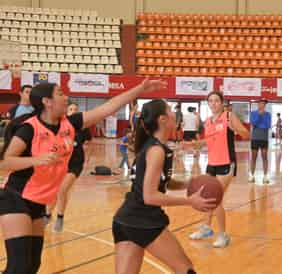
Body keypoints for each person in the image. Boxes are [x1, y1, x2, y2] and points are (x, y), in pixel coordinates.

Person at [0, 79, 166, 274]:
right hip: (15, 197)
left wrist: (140, 88)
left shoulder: (70, 124)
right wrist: (36, 160)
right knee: (18, 266)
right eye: (60, 93)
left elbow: (109, 107)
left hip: (38, 201)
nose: (66, 97)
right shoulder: (29, 128)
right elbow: (5, 162)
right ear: (47, 101)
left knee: (31, 266)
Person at [113, 99, 215, 274]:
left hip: (125, 220)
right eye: (170, 110)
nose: (175, 113)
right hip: (142, 220)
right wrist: (189, 201)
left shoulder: (155, 147)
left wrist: (188, 183)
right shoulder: (156, 151)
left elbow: (162, 182)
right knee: (185, 269)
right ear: (162, 119)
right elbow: (150, 196)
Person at [187, 91, 249, 248]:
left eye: (216, 101)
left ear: (222, 103)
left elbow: (246, 134)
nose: (213, 103)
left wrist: (235, 129)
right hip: (212, 163)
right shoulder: (208, 121)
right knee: (207, 196)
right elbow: (207, 142)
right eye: (210, 101)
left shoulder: (228, 116)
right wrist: (191, 144)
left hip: (227, 162)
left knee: (216, 198)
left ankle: (223, 235)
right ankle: (207, 228)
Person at [45, 102, 92, 232]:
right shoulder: (59, 125)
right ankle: (48, 214)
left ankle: (60, 217)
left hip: (75, 164)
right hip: (60, 163)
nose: (74, 111)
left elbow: (88, 143)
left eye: (76, 109)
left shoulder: (83, 128)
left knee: (62, 190)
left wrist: (86, 158)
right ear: (66, 110)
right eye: (71, 109)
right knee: (54, 192)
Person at [249, 99, 271, 183]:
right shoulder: (253, 113)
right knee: (253, 157)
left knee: (264, 157)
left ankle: (265, 177)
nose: (262, 105)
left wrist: (258, 124)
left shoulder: (268, 114)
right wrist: (259, 116)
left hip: (264, 138)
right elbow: (253, 123)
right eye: (260, 103)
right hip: (255, 138)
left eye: (263, 104)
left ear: (265, 105)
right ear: (258, 105)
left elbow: (267, 125)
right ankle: (251, 176)